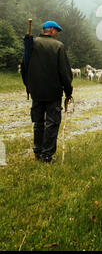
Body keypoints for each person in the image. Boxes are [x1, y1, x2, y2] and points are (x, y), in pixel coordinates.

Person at [22, 20, 73, 163]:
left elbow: (24, 66)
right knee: (52, 123)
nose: (57, 34)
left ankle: (38, 152)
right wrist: (68, 91)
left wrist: (29, 86)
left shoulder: (31, 44)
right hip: (53, 92)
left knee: (38, 123)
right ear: (50, 30)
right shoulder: (58, 46)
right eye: (56, 30)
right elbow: (64, 72)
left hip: (36, 92)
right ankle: (46, 156)